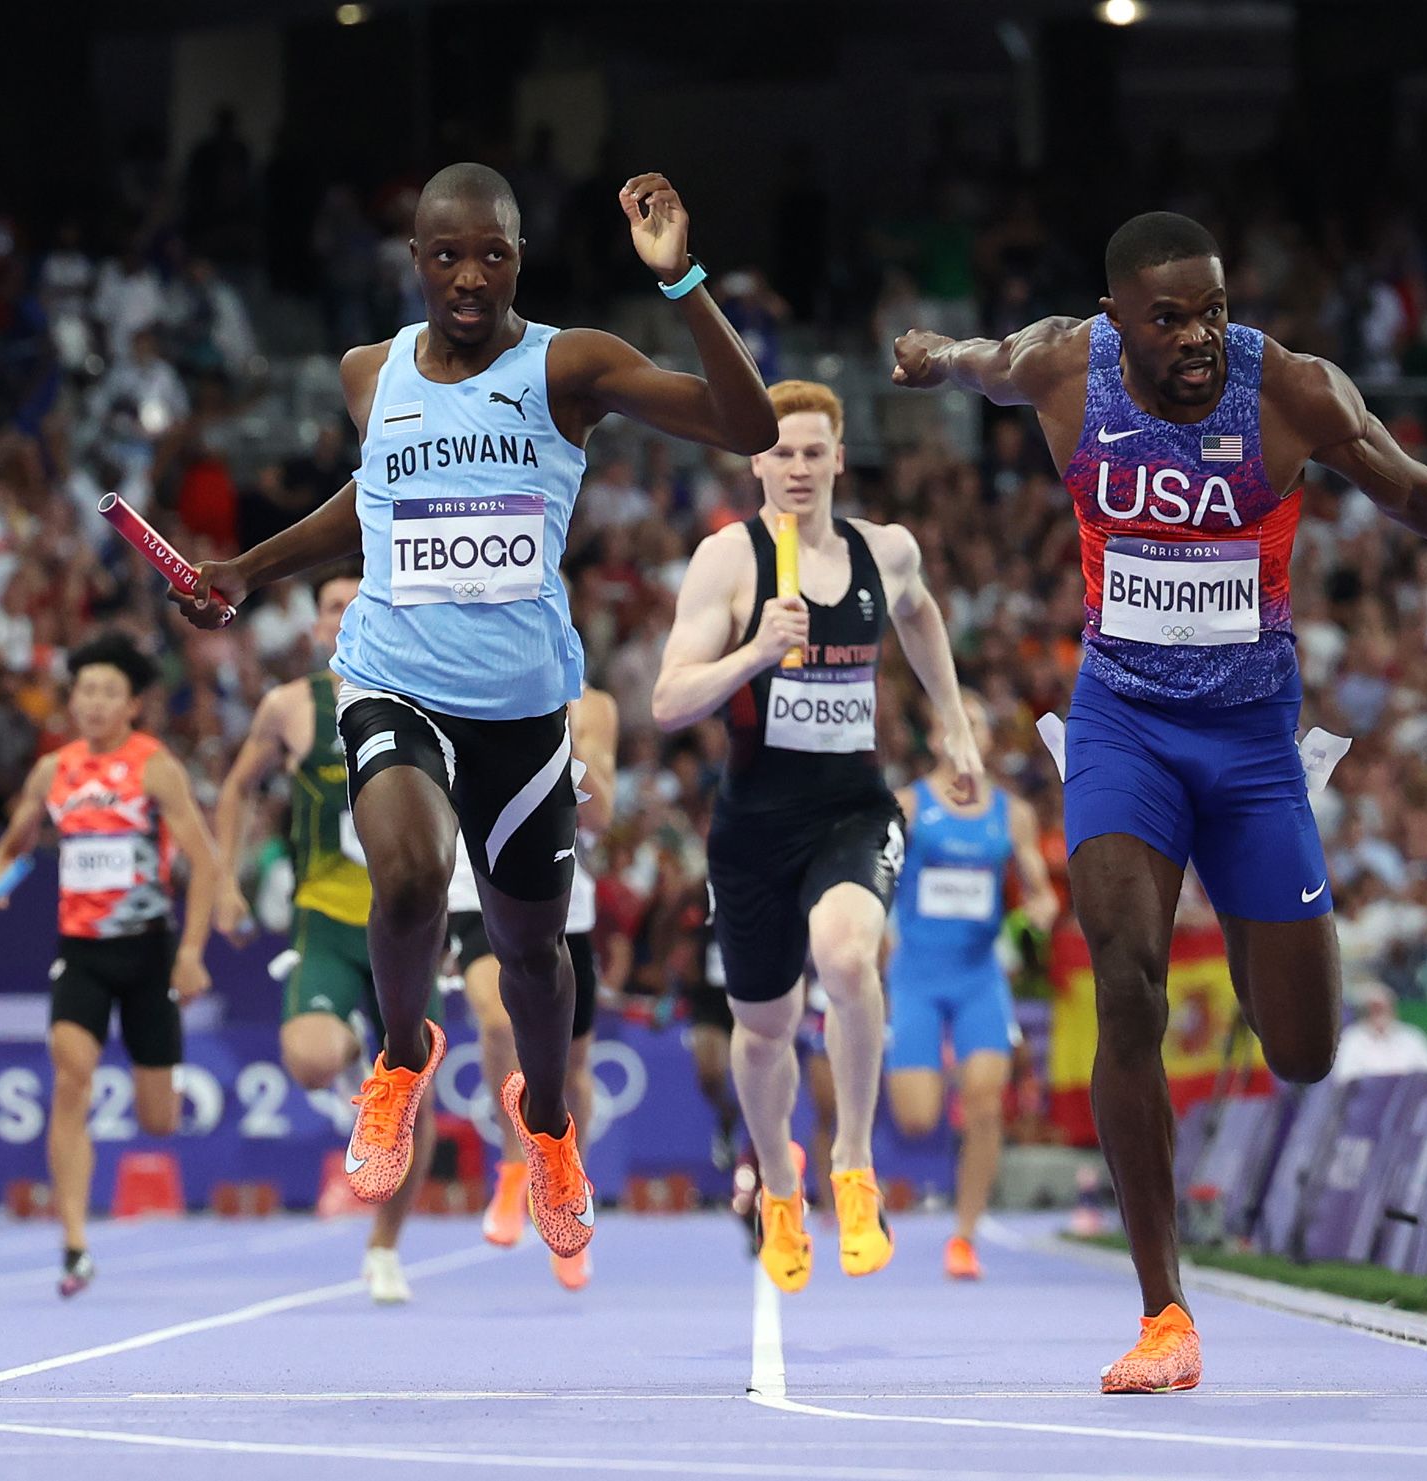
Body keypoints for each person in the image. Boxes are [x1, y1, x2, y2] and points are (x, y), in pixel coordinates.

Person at [891, 211, 1427, 1392]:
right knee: (1128, 979)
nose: (1198, 336)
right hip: (1123, 724)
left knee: (1300, 1048)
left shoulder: (1287, 391)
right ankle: (1164, 1312)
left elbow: (1399, 483)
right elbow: (987, 361)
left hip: (1251, 743)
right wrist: (936, 354)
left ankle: (1267, 914)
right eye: (1168, 318)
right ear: (1116, 322)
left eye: (1209, 309)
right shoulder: (1066, 368)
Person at [177, 163, 774, 1263]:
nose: (467, 276)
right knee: (404, 873)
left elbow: (748, 426)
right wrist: (249, 569)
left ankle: (547, 1127)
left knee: (532, 955)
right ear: (414, 261)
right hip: (392, 675)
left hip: (519, 706)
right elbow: (371, 503)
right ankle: (401, 1057)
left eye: (490, 254)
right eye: (446, 254)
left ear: (517, 259)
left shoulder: (570, 365)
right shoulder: (372, 372)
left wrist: (681, 277)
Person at [652, 379, 982, 1293]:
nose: (796, 468)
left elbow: (918, 615)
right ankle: (782, 1191)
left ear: (839, 457)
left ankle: (854, 1166)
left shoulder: (888, 551)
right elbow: (668, 698)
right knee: (765, 1028)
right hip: (754, 825)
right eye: (780, 453)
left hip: (852, 810)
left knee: (847, 956)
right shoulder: (729, 561)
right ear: (756, 461)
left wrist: (952, 723)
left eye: (812, 452)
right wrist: (756, 650)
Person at [0, 634, 219, 1298]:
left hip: (148, 951)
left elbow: (206, 862)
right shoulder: (55, 772)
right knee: (70, 1077)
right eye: (86, 690)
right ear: (72, 700)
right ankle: (74, 1243)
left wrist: (190, 953)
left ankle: (159, 1076)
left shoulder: (154, 767)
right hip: (80, 952)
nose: (97, 702)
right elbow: (18, 842)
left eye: (111, 692)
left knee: (158, 1118)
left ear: (132, 704)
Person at [212, 567, 430, 1305]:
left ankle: (386, 1246)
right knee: (309, 1057)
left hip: (410, 920)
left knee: (414, 1097)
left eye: (359, 605)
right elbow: (239, 785)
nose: (344, 617)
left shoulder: (422, 694)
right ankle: (355, 1074)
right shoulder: (291, 707)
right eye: (333, 607)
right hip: (328, 919)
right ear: (315, 627)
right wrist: (224, 880)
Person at [886, 692, 1060, 1280]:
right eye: (953, 724)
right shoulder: (908, 806)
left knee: (985, 1102)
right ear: (937, 738)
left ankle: (963, 1236)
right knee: (915, 1118)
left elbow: (1041, 890)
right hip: (915, 975)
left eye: (978, 724)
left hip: (980, 976)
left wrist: (1038, 911)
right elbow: (872, 883)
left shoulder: (1012, 814)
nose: (966, 734)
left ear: (986, 740)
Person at [469, 684, 616, 1292]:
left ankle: (562, 1186)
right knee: (500, 1020)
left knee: (567, 1068)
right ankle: (510, 1166)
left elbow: (602, 814)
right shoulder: (464, 684)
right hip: (472, 893)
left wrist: (557, 733)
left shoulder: (594, 707)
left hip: (560, 904)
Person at [1328, 979, 1427, 1082]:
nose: (1379, 1013)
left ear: (1392, 1008)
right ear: (1365, 1010)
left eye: (1383, 1007)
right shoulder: (1352, 1038)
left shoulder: (1412, 1036)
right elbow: (1343, 1079)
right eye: (1374, 1008)